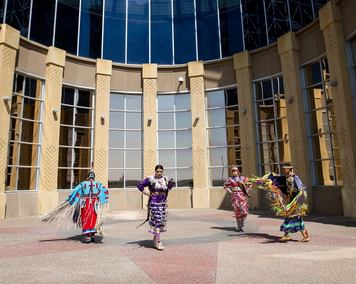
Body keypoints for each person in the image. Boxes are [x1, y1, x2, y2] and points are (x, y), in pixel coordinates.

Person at [42, 170, 109, 243]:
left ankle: (88, 236)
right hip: (94, 204)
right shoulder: (98, 184)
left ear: (87, 177)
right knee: (93, 218)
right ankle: (92, 235)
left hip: (85, 204)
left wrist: (70, 200)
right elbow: (105, 191)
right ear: (94, 177)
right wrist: (100, 199)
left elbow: (76, 192)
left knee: (86, 218)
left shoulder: (83, 184)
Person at [137, 165, 175, 250]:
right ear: (155, 171)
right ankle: (158, 241)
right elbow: (140, 185)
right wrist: (146, 192)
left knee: (160, 222)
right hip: (154, 203)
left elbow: (170, 187)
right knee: (157, 221)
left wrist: (170, 185)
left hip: (162, 204)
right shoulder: (151, 179)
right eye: (157, 171)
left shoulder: (165, 179)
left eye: (161, 171)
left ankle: (155, 238)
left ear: (163, 171)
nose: (159, 173)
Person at [279, 163, 310, 242]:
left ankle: (288, 235)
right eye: (284, 168)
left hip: (295, 201)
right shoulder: (287, 177)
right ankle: (302, 236)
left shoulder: (295, 177)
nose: (284, 170)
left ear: (289, 169)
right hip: (290, 200)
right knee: (292, 217)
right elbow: (288, 189)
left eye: (286, 168)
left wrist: (297, 197)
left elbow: (300, 188)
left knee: (292, 217)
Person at [223, 165, 250, 232]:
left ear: (238, 171)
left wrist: (246, 191)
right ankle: (239, 226)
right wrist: (230, 191)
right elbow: (225, 186)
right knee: (237, 211)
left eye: (235, 171)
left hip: (242, 195)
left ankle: (243, 224)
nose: (233, 172)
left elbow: (249, 184)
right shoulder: (230, 179)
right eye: (232, 171)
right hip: (235, 196)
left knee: (244, 210)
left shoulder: (243, 178)